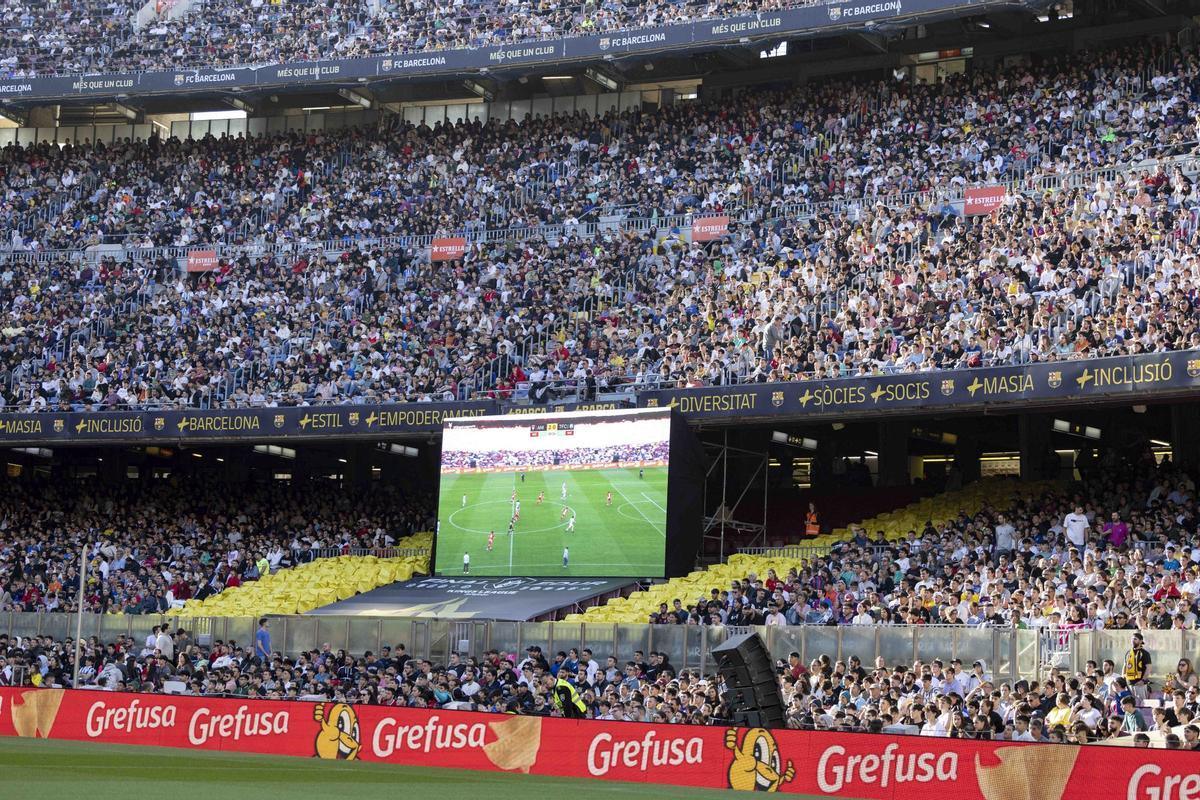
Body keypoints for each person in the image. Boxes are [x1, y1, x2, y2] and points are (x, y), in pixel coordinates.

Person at [1124, 633, 1152, 701]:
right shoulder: (1128, 652)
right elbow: (1125, 665)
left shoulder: (1145, 653)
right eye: (1132, 639)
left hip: (1140, 684)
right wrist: (1123, 677)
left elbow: (1148, 668)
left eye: (1135, 639)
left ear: (1140, 641)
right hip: (1129, 684)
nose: (1132, 640)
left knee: (1141, 704)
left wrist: (1143, 680)